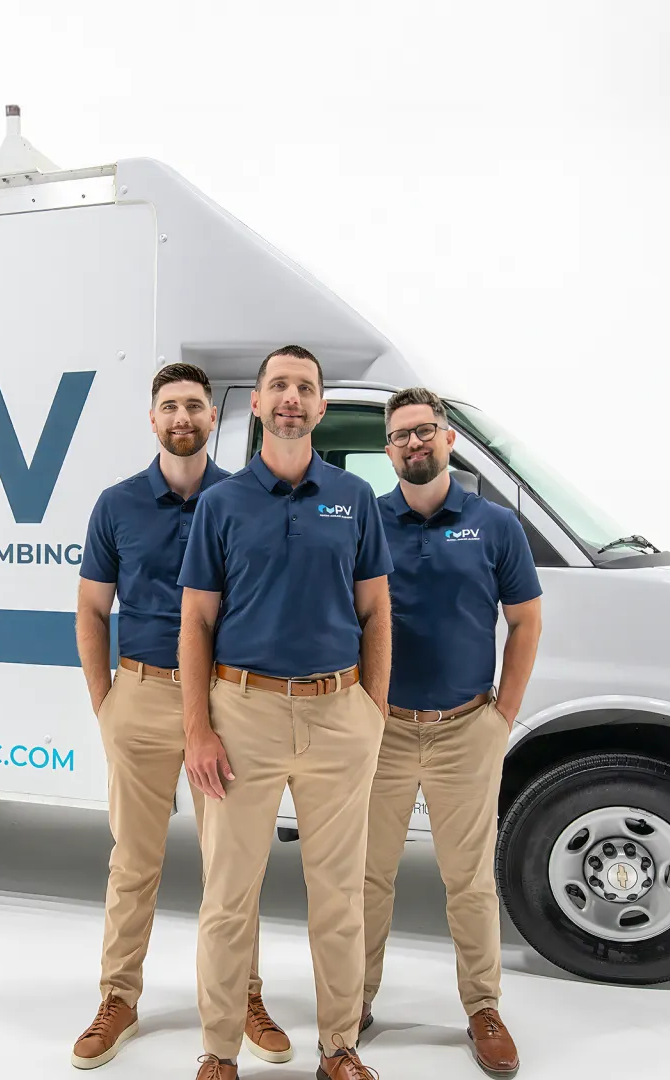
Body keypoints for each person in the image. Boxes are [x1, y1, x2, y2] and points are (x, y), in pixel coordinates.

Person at [176, 345, 394, 1080]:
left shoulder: (355, 498)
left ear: (321, 406)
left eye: (304, 387)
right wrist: (198, 729)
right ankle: (218, 1051)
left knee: (339, 896)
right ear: (260, 403)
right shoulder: (222, 503)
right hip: (244, 715)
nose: (291, 397)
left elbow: (376, 610)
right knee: (228, 896)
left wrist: (372, 712)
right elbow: (196, 621)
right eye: (279, 386)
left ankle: (339, 1048)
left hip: (338, 715)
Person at [71, 362, 293, 1070]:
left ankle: (243, 997)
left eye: (194, 405)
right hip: (139, 696)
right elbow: (91, 608)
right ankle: (118, 998)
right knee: (133, 861)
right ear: (153, 418)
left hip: (224, 704)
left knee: (234, 867)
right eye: (169, 406)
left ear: (212, 416)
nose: (182, 417)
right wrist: (106, 702)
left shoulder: (244, 499)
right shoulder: (116, 505)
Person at [360, 387, 543, 1078]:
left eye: (425, 430)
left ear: (449, 439)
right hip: (382, 733)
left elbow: (525, 621)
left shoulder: (495, 526)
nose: (415, 442)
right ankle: (354, 1000)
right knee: (366, 877)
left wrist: (502, 718)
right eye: (401, 434)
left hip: (466, 729)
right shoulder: (366, 522)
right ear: (387, 450)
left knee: (468, 881)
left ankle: (483, 1009)